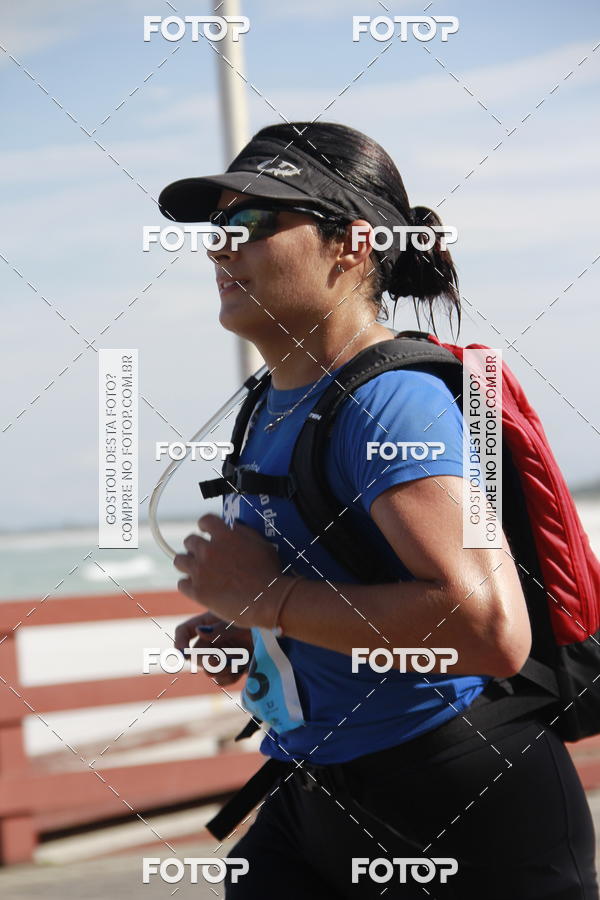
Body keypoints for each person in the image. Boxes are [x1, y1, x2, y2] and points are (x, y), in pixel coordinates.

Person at [161, 122, 598, 898]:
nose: (219, 247)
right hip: (315, 783)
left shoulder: (390, 402)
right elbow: (346, 577)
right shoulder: (271, 401)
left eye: (252, 222)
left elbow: (489, 630)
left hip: (458, 799)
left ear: (351, 244)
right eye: (215, 228)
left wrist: (274, 600)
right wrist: (261, 631)